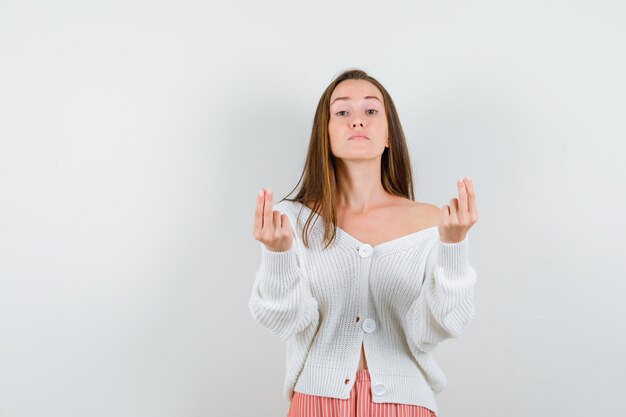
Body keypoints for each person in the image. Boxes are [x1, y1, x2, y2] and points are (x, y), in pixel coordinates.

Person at [249, 68, 479, 417]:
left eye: (371, 111)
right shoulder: (290, 220)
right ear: (324, 135)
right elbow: (287, 322)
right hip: (316, 403)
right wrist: (278, 255)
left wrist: (453, 248)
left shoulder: (433, 222)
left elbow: (439, 327)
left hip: (406, 404)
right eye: (342, 112)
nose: (357, 121)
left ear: (389, 135)